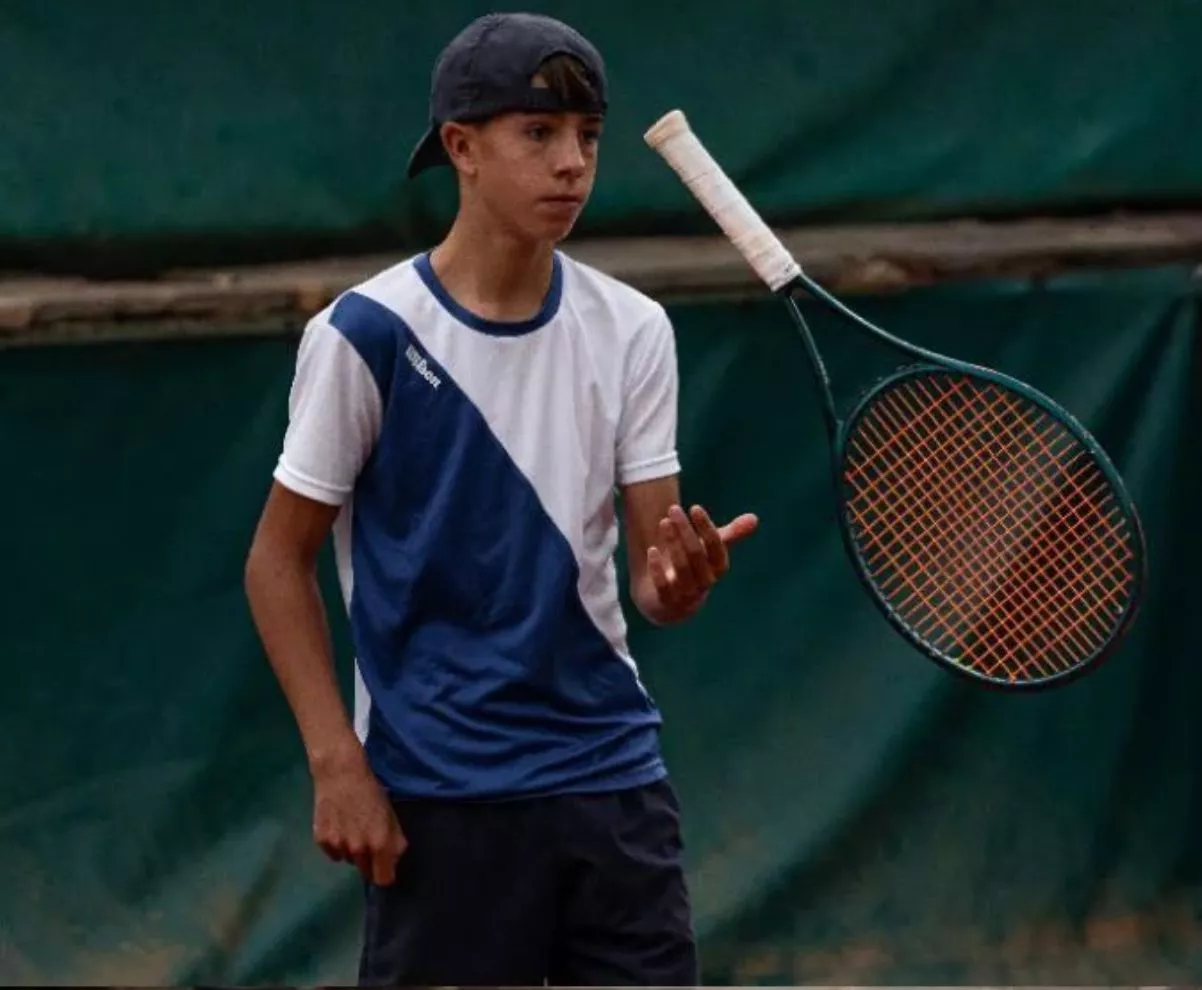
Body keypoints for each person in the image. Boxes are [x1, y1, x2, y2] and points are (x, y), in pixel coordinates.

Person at [244, 11, 758, 987]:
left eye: (587, 138)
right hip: (441, 795)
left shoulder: (634, 329)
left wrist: (678, 582)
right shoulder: (365, 335)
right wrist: (334, 764)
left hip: (612, 781)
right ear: (461, 149)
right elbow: (275, 561)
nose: (571, 164)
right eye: (537, 133)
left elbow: (652, 582)